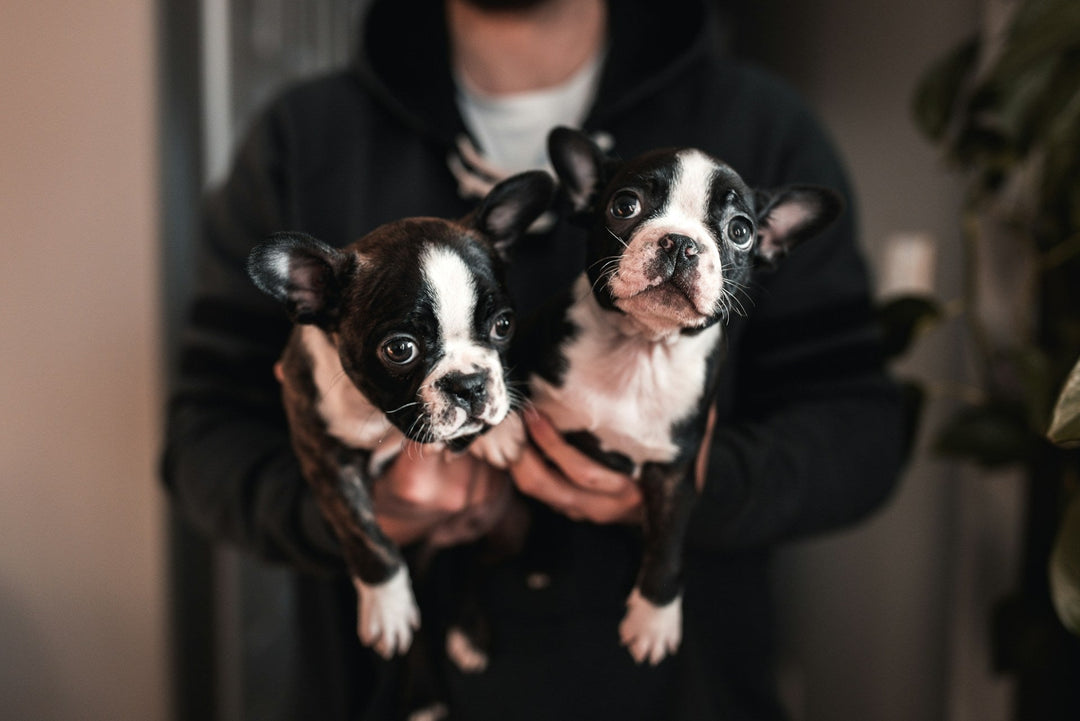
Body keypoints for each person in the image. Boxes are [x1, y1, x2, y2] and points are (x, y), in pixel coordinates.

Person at [162, 0, 907, 719]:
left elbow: (863, 435)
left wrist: (693, 480)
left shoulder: (764, 125)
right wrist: (358, 517)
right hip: (383, 690)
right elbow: (201, 442)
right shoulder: (304, 135)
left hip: (685, 690)